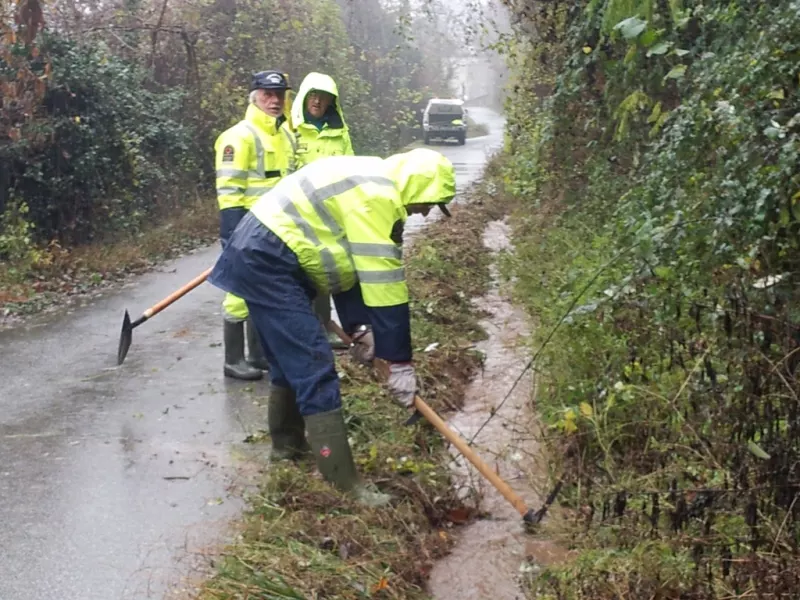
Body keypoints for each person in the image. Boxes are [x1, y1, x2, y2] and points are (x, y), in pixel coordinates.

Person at [208, 148, 455, 505]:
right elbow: (384, 284)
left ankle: (288, 449)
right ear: (418, 186)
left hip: (264, 252)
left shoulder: (373, 181)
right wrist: (398, 361)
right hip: (269, 258)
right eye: (430, 202)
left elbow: (349, 267)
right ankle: (343, 483)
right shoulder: (377, 198)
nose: (426, 211)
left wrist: (360, 328)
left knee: (286, 361)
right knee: (314, 364)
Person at [214, 70, 296, 380]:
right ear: (254, 97)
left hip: (279, 228)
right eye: (267, 94)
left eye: (279, 95)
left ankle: (258, 355)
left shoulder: (286, 135)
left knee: (266, 291)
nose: (274, 101)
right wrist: (232, 234)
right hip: (246, 229)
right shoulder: (238, 137)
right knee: (238, 293)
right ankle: (233, 359)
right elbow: (229, 189)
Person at [292, 72, 355, 351]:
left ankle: (323, 326)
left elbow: (349, 169)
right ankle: (300, 331)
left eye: (324, 97)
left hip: (327, 213)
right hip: (294, 211)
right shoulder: (290, 131)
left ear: (332, 102)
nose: (317, 101)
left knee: (323, 271)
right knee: (295, 273)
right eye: (313, 96)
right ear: (305, 98)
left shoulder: (340, 133)